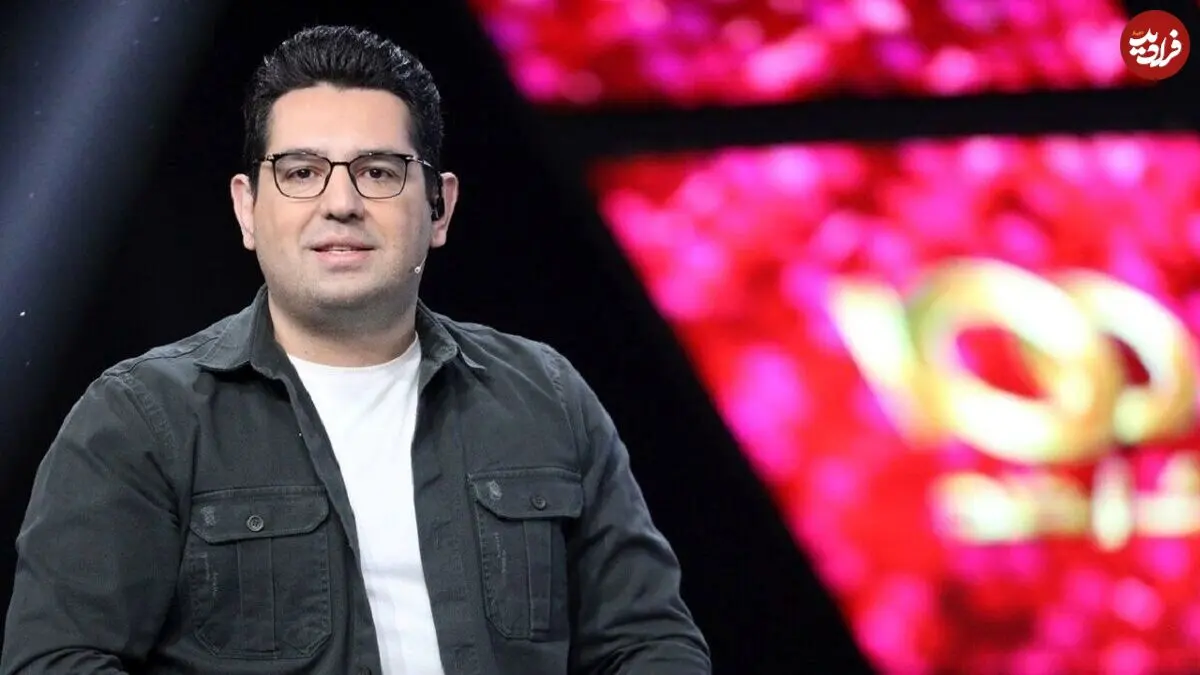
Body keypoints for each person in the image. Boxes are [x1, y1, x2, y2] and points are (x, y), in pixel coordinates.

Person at [0, 25, 710, 675]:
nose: (340, 203)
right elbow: (57, 661)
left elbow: (649, 643)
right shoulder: (140, 419)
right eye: (301, 172)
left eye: (377, 171)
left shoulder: (545, 396)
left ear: (440, 207)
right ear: (247, 208)